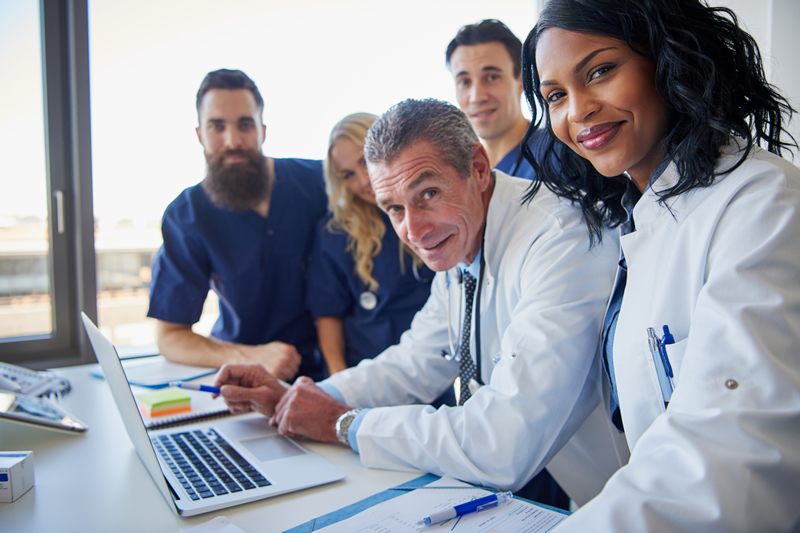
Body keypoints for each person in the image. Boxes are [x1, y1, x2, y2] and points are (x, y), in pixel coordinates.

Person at [213, 98, 621, 506]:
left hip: (639, 506)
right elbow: (414, 362)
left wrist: (344, 424)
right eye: (393, 208)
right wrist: (298, 399)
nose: (414, 230)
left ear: (478, 168)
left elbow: (503, 443)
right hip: (590, 499)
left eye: (427, 193)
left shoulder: (561, 237)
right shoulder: (462, 244)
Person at [521, 0, 800, 530]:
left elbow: (725, 455)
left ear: (667, 61)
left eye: (600, 71)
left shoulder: (763, 203)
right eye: (556, 95)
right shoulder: (636, 218)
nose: (577, 111)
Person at [147, 69, 327, 382]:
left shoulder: (321, 184)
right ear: (200, 134)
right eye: (217, 126)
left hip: (339, 371)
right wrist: (249, 356)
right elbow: (171, 337)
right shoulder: (187, 215)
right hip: (248, 374)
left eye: (245, 125)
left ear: (263, 131)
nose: (232, 141)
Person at [306, 112, 437, 377]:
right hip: (363, 371)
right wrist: (338, 381)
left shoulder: (430, 211)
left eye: (365, 162)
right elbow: (328, 314)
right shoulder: (336, 233)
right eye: (348, 174)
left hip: (427, 369)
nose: (364, 181)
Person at [445, 19, 544, 179]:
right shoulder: (464, 175)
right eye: (464, 81)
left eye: (491, 77)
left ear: (522, 81)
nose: (476, 97)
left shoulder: (557, 157)